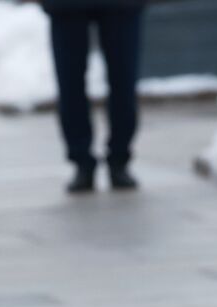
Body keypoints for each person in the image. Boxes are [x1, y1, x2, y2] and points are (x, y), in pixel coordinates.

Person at [33, 0, 146, 193]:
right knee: (70, 81)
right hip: (67, 8)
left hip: (121, 7)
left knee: (124, 78)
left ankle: (119, 157)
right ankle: (81, 160)